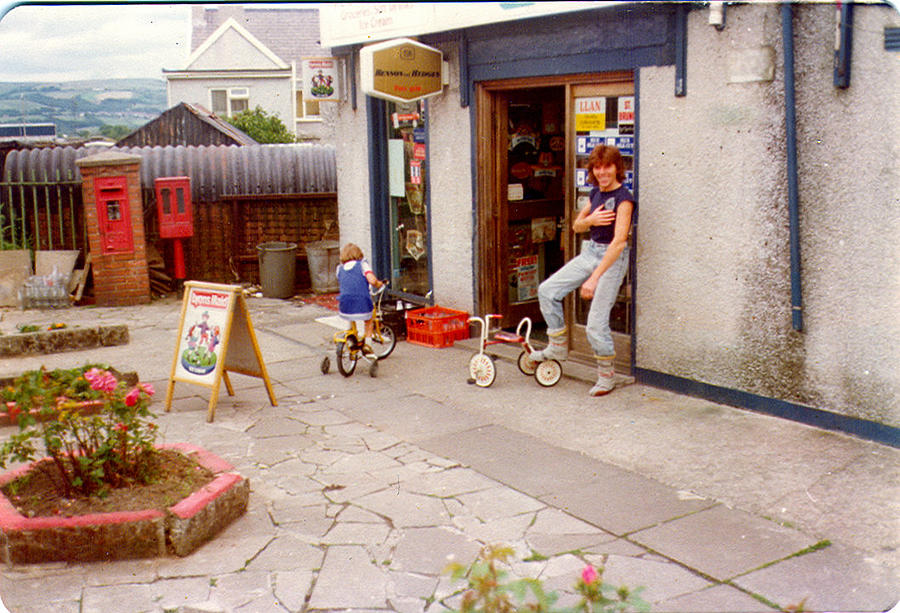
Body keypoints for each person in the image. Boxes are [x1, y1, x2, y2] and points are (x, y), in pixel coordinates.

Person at [529, 144, 635, 396]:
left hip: (612, 258)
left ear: (616, 167)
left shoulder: (625, 199)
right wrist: (589, 221)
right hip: (590, 251)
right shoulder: (595, 193)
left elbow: (619, 242)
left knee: (595, 325)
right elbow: (576, 226)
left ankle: (606, 377)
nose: (602, 172)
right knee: (547, 290)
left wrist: (594, 278)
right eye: (597, 167)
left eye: (607, 166)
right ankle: (557, 346)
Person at [336, 242, 383, 352]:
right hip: (361, 302)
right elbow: (372, 280)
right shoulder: (362, 264)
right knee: (369, 320)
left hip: (344, 305)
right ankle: (368, 345)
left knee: (351, 315)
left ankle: (350, 335)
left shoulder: (339, 268)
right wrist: (378, 284)